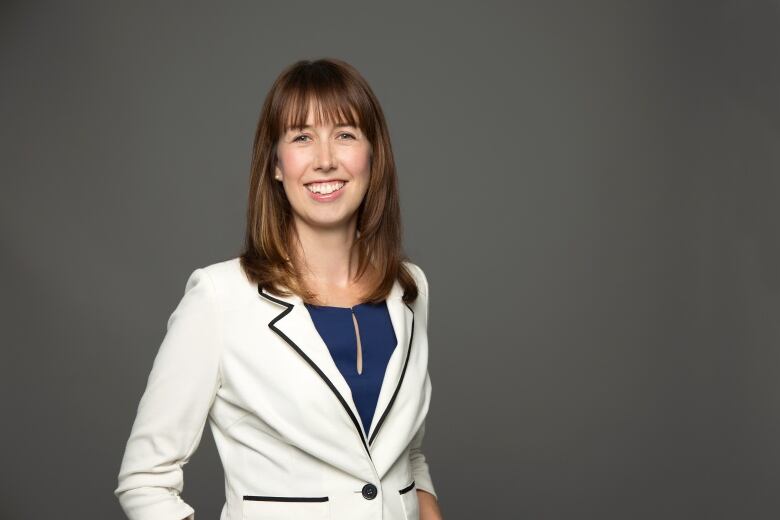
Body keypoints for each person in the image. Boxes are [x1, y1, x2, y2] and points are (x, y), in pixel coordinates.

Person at [113, 58, 444, 520]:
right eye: (301, 137)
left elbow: (404, 456)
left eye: (345, 134)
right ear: (274, 164)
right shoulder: (219, 298)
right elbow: (145, 480)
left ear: (373, 156)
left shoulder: (410, 290)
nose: (325, 158)